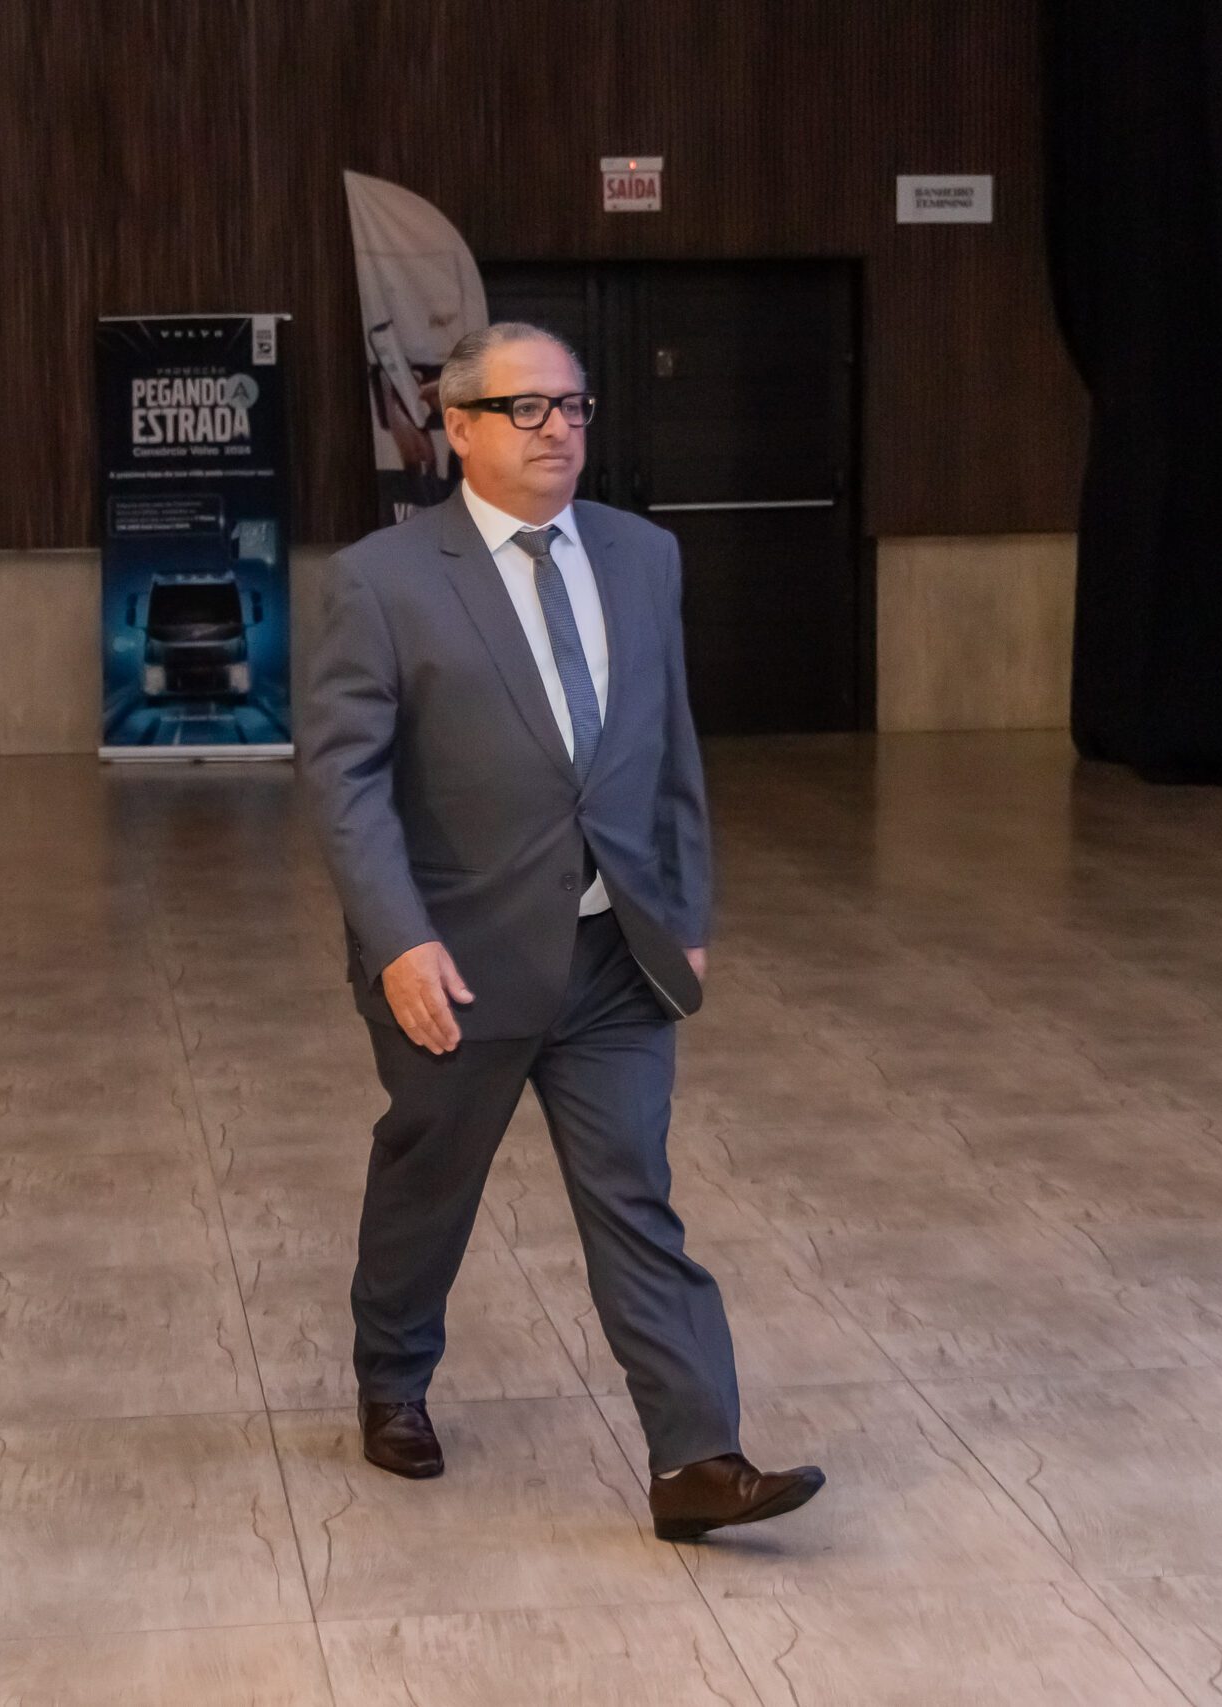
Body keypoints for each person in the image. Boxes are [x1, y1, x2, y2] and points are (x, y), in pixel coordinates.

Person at [301, 322, 824, 1542]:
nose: (557, 429)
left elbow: (669, 749)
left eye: (573, 406)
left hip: (615, 955)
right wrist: (398, 940)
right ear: (457, 427)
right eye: (524, 409)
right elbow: (345, 781)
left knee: (635, 1193)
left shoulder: (643, 556)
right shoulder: (383, 579)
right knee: (430, 1184)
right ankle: (392, 1379)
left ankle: (696, 1459)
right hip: (456, 960)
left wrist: (681, 910)